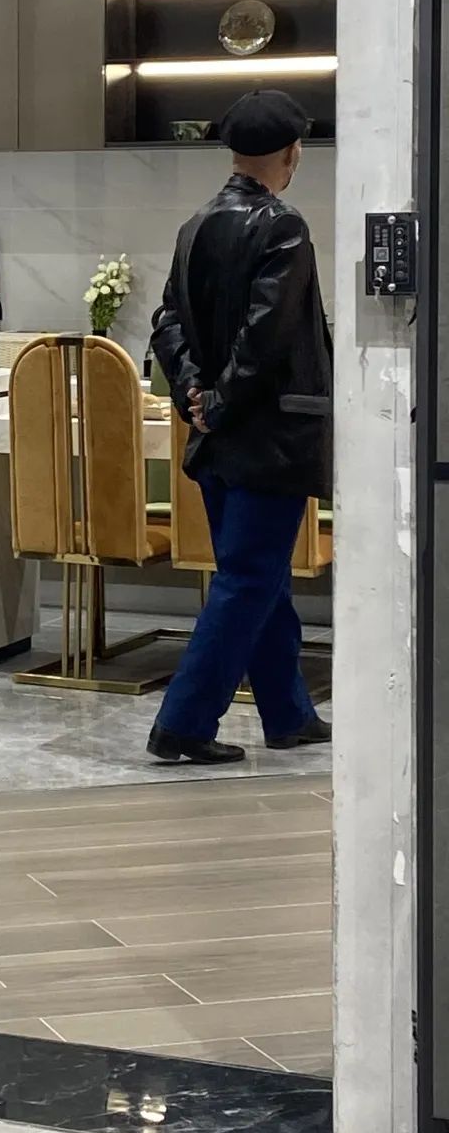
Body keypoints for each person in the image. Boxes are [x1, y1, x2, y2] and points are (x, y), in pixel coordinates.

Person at [147, 88, 332, 766]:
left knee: (259, 576)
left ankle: (288, 713)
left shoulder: (195, 224)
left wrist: (196, 393)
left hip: (218, 438)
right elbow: (268, 335)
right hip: (269, 436)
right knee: (250, 580)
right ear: (291, 154)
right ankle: (184, 721)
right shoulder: (283, 227)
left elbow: (166, 321)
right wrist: (221, 398)